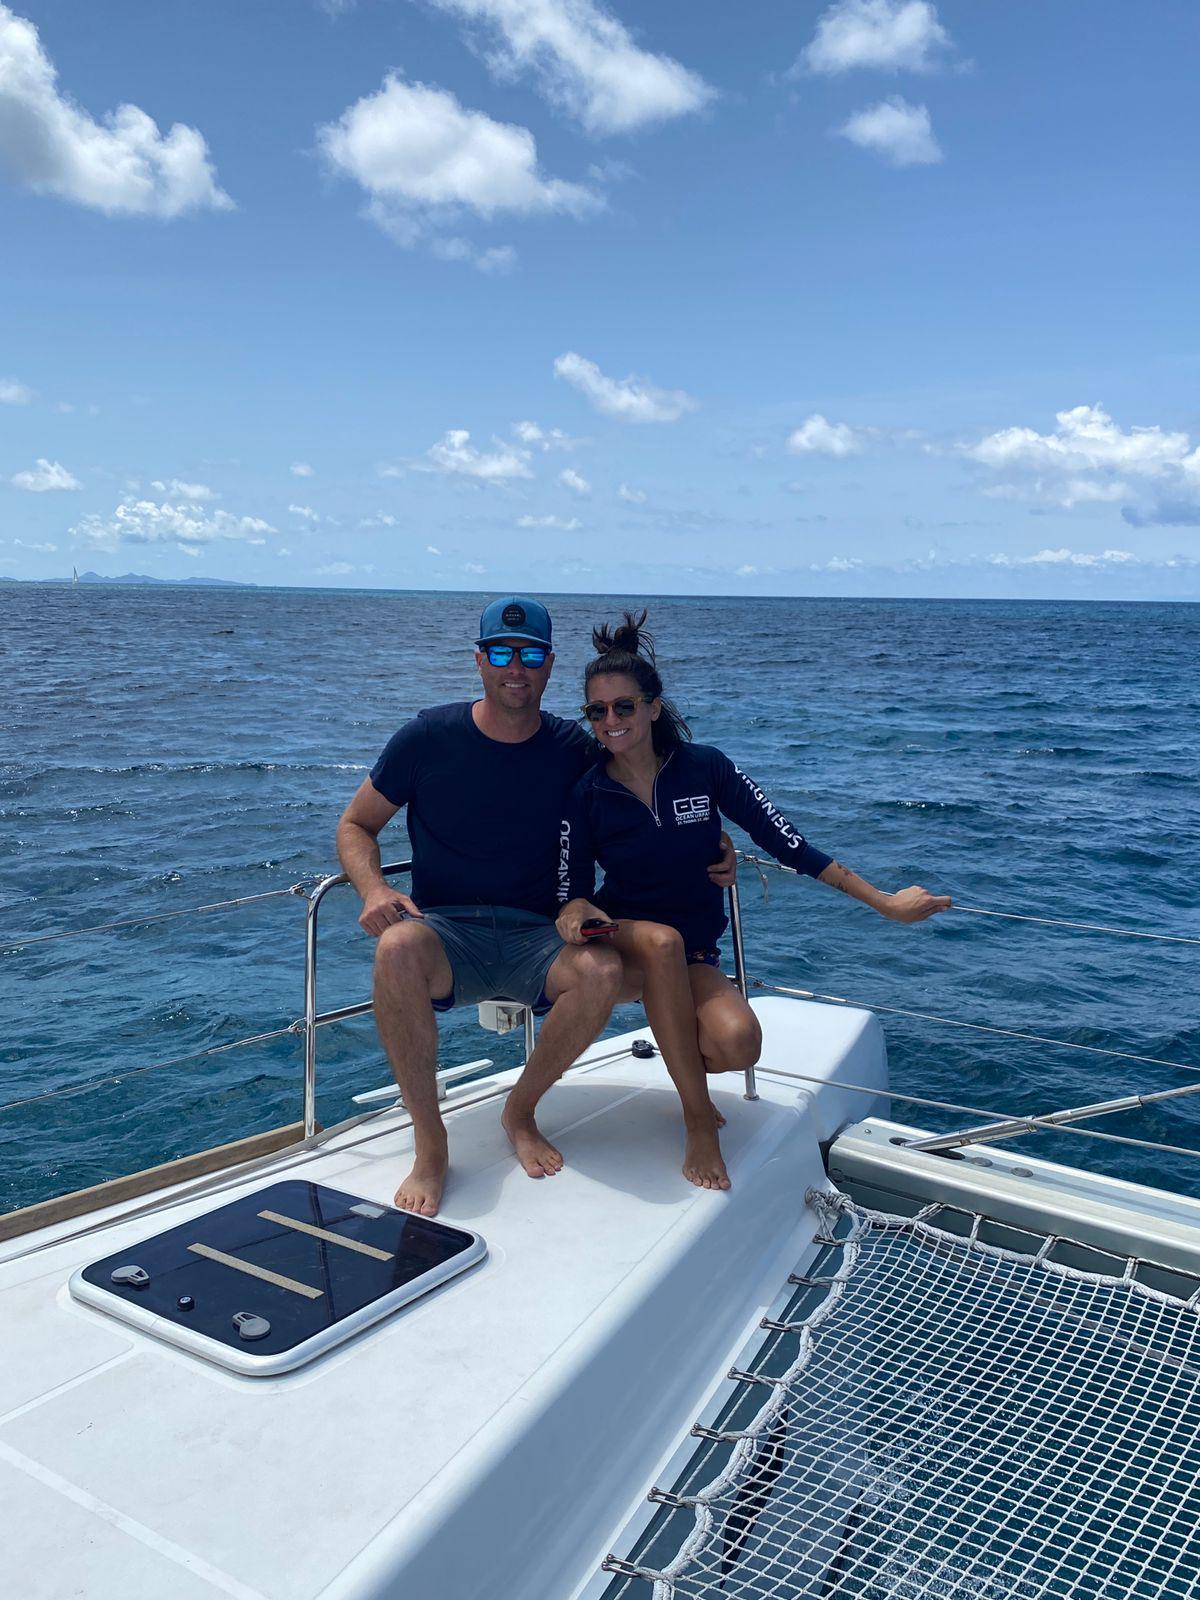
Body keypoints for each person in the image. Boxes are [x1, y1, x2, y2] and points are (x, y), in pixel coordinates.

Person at [336, 596, 735, 1216]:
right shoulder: (426, 737)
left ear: (549, 666)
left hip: (542, 935)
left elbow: (654, 781)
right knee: (396, 948)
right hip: (448, 931)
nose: (514, 667)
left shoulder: (573, 746)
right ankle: (431, 1142)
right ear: (479, 660)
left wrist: (715, 841)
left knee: (600, 969)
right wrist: (373, 889)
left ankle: (519, 1112)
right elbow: (356, 825)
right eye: (501, 652)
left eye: (530, 655)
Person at [557, 611, 951, 1194]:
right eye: (597, 711)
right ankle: (697, 1121)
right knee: (659, 944)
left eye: (624, 707)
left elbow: (789, 844)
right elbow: (572, 891)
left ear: (654, 707)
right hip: (628, 944)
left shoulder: (704, 768)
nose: (611, 721)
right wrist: (577, 916)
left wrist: (885, 904)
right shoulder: (588, 791)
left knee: (739, 1042)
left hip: (692, 952)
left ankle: (686, 1073)